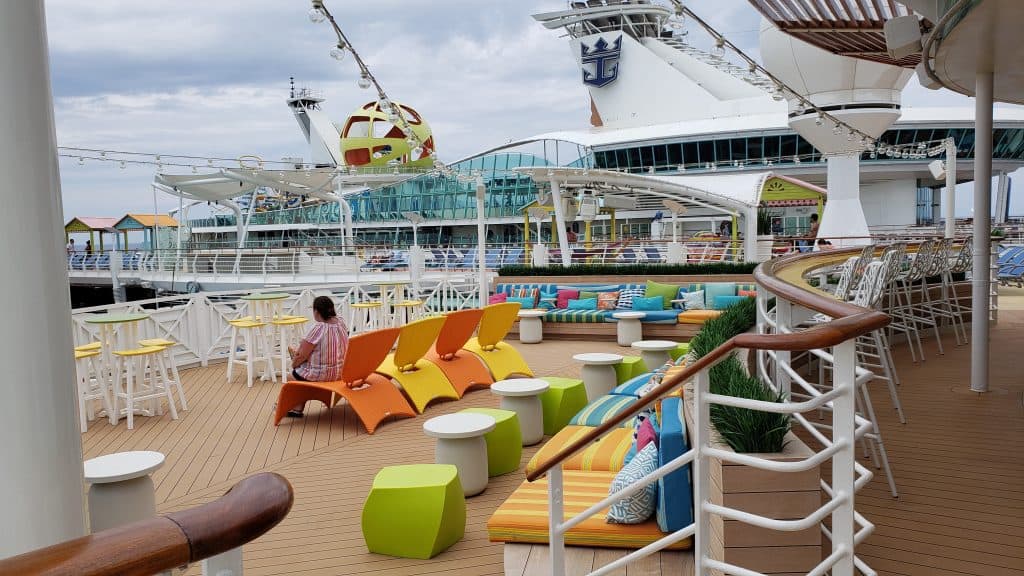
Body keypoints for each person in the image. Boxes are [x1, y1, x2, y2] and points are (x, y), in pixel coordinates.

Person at [285, 296, 349, 417]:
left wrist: (294, 363)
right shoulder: (340, 322)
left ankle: (294, 408)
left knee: (292, 375)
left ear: (316, 311)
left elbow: (302, 355)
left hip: (322, 375)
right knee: (301, 371)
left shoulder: (318, 328)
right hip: (340, 372)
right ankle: (297, 408)